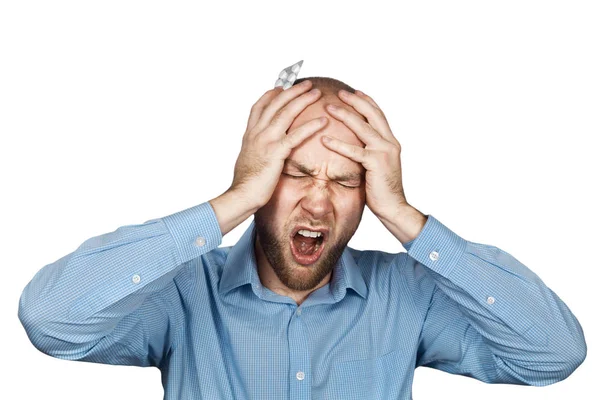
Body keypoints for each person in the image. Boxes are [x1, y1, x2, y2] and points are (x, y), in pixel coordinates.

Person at [18, 77, 587, 399]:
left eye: (344, 181)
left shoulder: (409, 296)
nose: (318, 202)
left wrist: (406, 218)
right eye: (294, 174)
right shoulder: (184, 293)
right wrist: (233, 200)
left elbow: (553, 355)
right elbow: (51, 320)